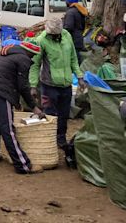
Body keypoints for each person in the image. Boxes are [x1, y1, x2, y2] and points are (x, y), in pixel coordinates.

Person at [0, 41, 44, 174]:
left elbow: (12, 79)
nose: (33, 58)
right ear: (29, 52)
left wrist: (17, 103)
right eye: (33, 55)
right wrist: (34, 107)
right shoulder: (23, 59)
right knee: (8, 129)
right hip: (1, 93)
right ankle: (23, 165)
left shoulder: (8, 53)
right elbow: (23, 86)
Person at [29, 19, 86, 152]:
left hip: (66, 84)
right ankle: (48, 140)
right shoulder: (41, 40)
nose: (54, 36)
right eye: (51, 34)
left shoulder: (66, 36)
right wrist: (33, 85)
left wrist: (79, 76)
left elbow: (73, 58)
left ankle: (60, 138)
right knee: (50, 114)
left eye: (56, 34)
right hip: (49, 85)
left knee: (64, 114)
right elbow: (35, 65)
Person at [62, 0, 87, 64]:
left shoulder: (71, 12)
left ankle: (76, 74)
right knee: (78, 59)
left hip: (73, 40)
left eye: (66, 0)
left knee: (74, 60)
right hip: (79, 38)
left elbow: (68, 27)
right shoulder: (79, 10)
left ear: (69, 1)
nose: (65, 2)